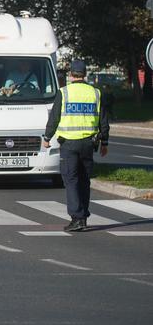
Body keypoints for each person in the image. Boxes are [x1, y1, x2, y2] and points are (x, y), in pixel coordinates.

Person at [41, 59, 109, 232]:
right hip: (88, 143)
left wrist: (47, 137)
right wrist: (105, 143)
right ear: (85, 74)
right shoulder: (96, 93)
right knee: (84, 181)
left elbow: (54, 118)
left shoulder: (64, 93)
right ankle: (83, 216)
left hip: (69, 144)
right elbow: (104, 121)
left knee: (71, 180)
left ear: (71, 74)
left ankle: (77, 218)